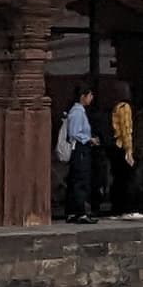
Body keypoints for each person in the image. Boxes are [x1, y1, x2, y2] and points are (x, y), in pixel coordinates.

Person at [57, 88, 97, 221]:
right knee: (80, 180)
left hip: (80, 148)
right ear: (83, 96)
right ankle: (81, 212)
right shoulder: (78, 113)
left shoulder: (77, 112)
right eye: (90, 95)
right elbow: (74, 133)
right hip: (79, 149)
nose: (91, 98)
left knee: (75, 180)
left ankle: (72, 211)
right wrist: (88, 139)